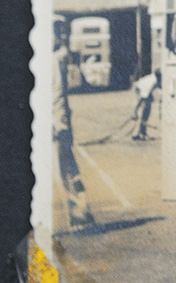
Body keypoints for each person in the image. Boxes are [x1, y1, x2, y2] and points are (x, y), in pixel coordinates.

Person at [52, 18, 94, 227]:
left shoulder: (55, 58)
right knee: (68, 169)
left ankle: (79, 211)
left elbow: (57, 96)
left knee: (65, 171)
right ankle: (80, 210)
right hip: (61, 121)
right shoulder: (56, 57)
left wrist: (59, 125)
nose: (60, 37)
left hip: (58, 123)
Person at [131, 69, 161, 141]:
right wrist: (135, 111)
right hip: (139, 90)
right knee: (144, 113)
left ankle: (143, 133)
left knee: (147, 112)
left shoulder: (156, 79)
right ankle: (139, 134)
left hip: (145, 92)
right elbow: (141, 98)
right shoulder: (150, 83)